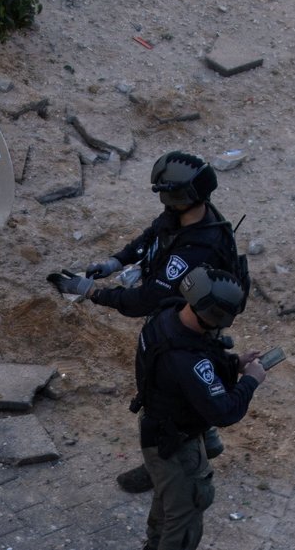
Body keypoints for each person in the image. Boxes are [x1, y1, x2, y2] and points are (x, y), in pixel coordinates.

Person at [48, 150, 249, 492]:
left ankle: (164, 462)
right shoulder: (187, 215)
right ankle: (207, 440)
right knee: (186, 388)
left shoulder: (198, 248)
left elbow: (145, 300)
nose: (163, 200)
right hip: (181, 315)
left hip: (186, 325)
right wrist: (115, 262)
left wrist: (93, 293)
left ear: (183, 194)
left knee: (163, 396)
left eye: (166, 193)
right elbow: (152, 237)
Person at [131, 267, 268, 550]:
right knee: (185, 513)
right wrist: (251, 380)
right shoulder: (187, 359)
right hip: (176, 443)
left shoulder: (165, 317)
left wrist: (233, 364)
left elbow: (189, 375)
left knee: (168, 502)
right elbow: (224, 411)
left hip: (158, 428)